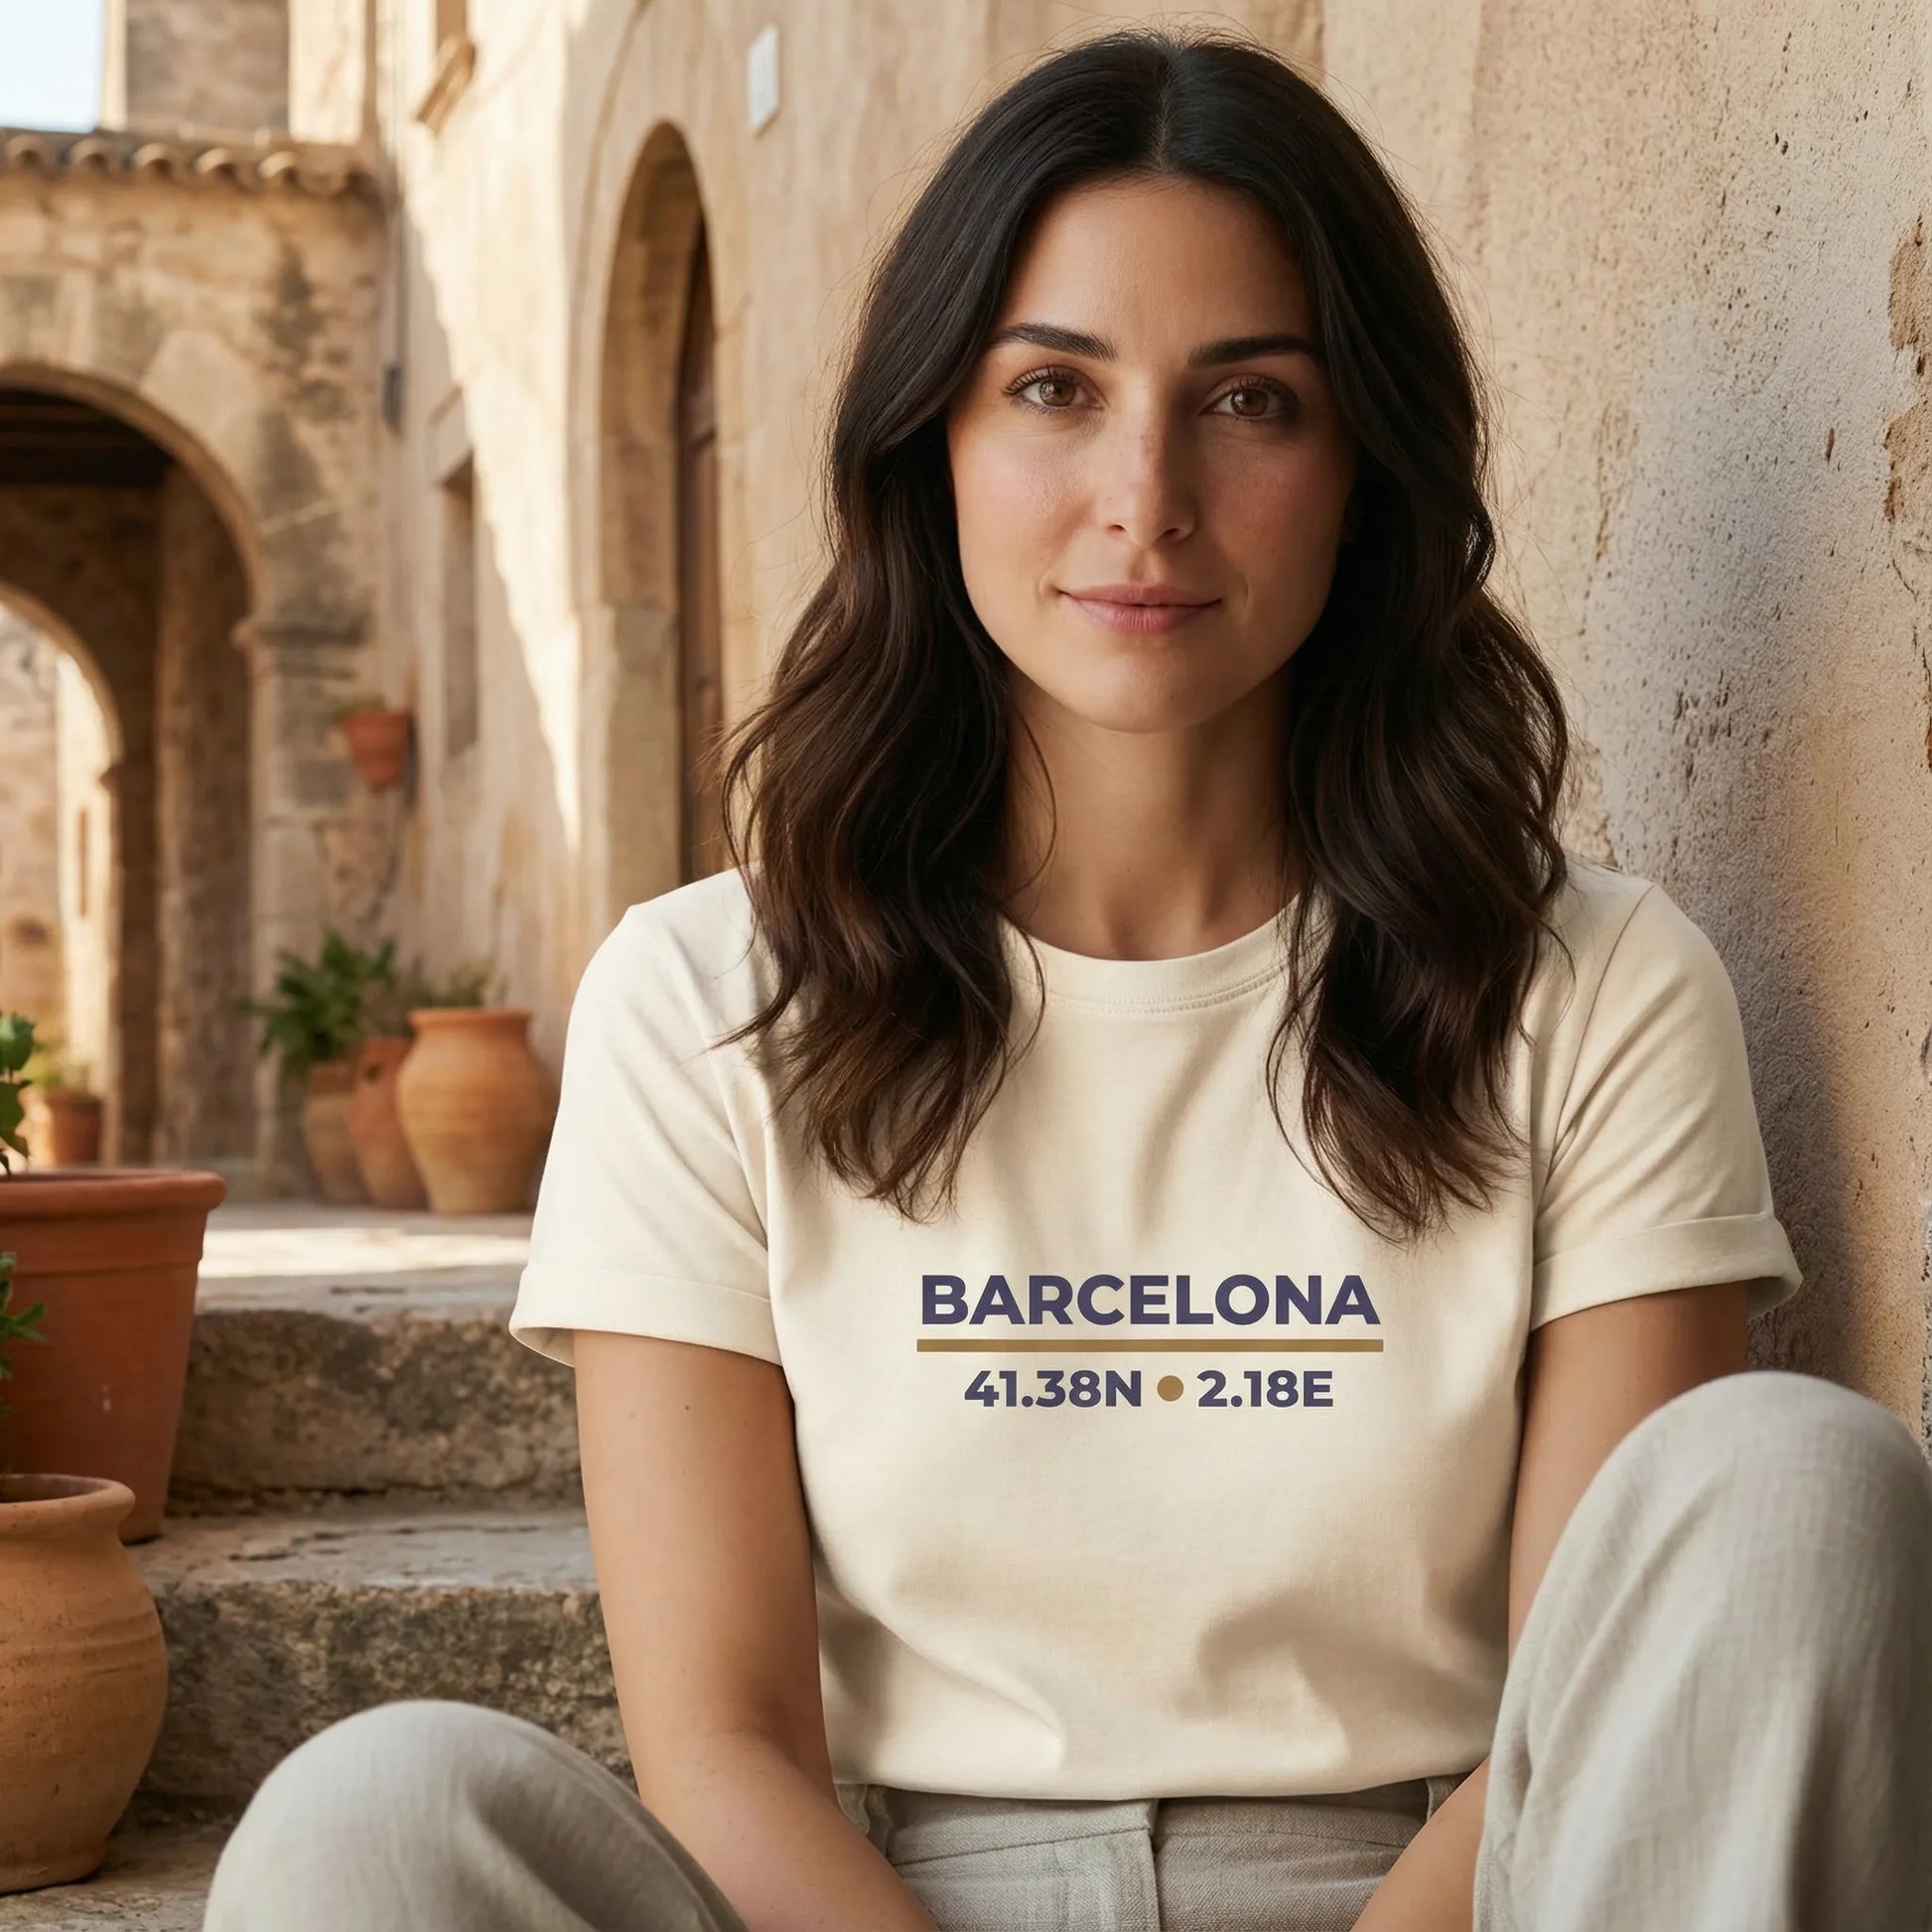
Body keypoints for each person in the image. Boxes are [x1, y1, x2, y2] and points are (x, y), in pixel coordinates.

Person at [204, 24, 1932, 1932]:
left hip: (1459, 1896)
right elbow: (724, 1747)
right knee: (369, 1819)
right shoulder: (702, 1000)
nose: (1145, 493)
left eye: (1251, 401)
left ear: (1363, 460)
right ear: (930, 437)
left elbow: (1580, 1710)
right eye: (1051, 386)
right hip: (885, 1903)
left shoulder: (1589, 990)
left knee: (1788, 1476)